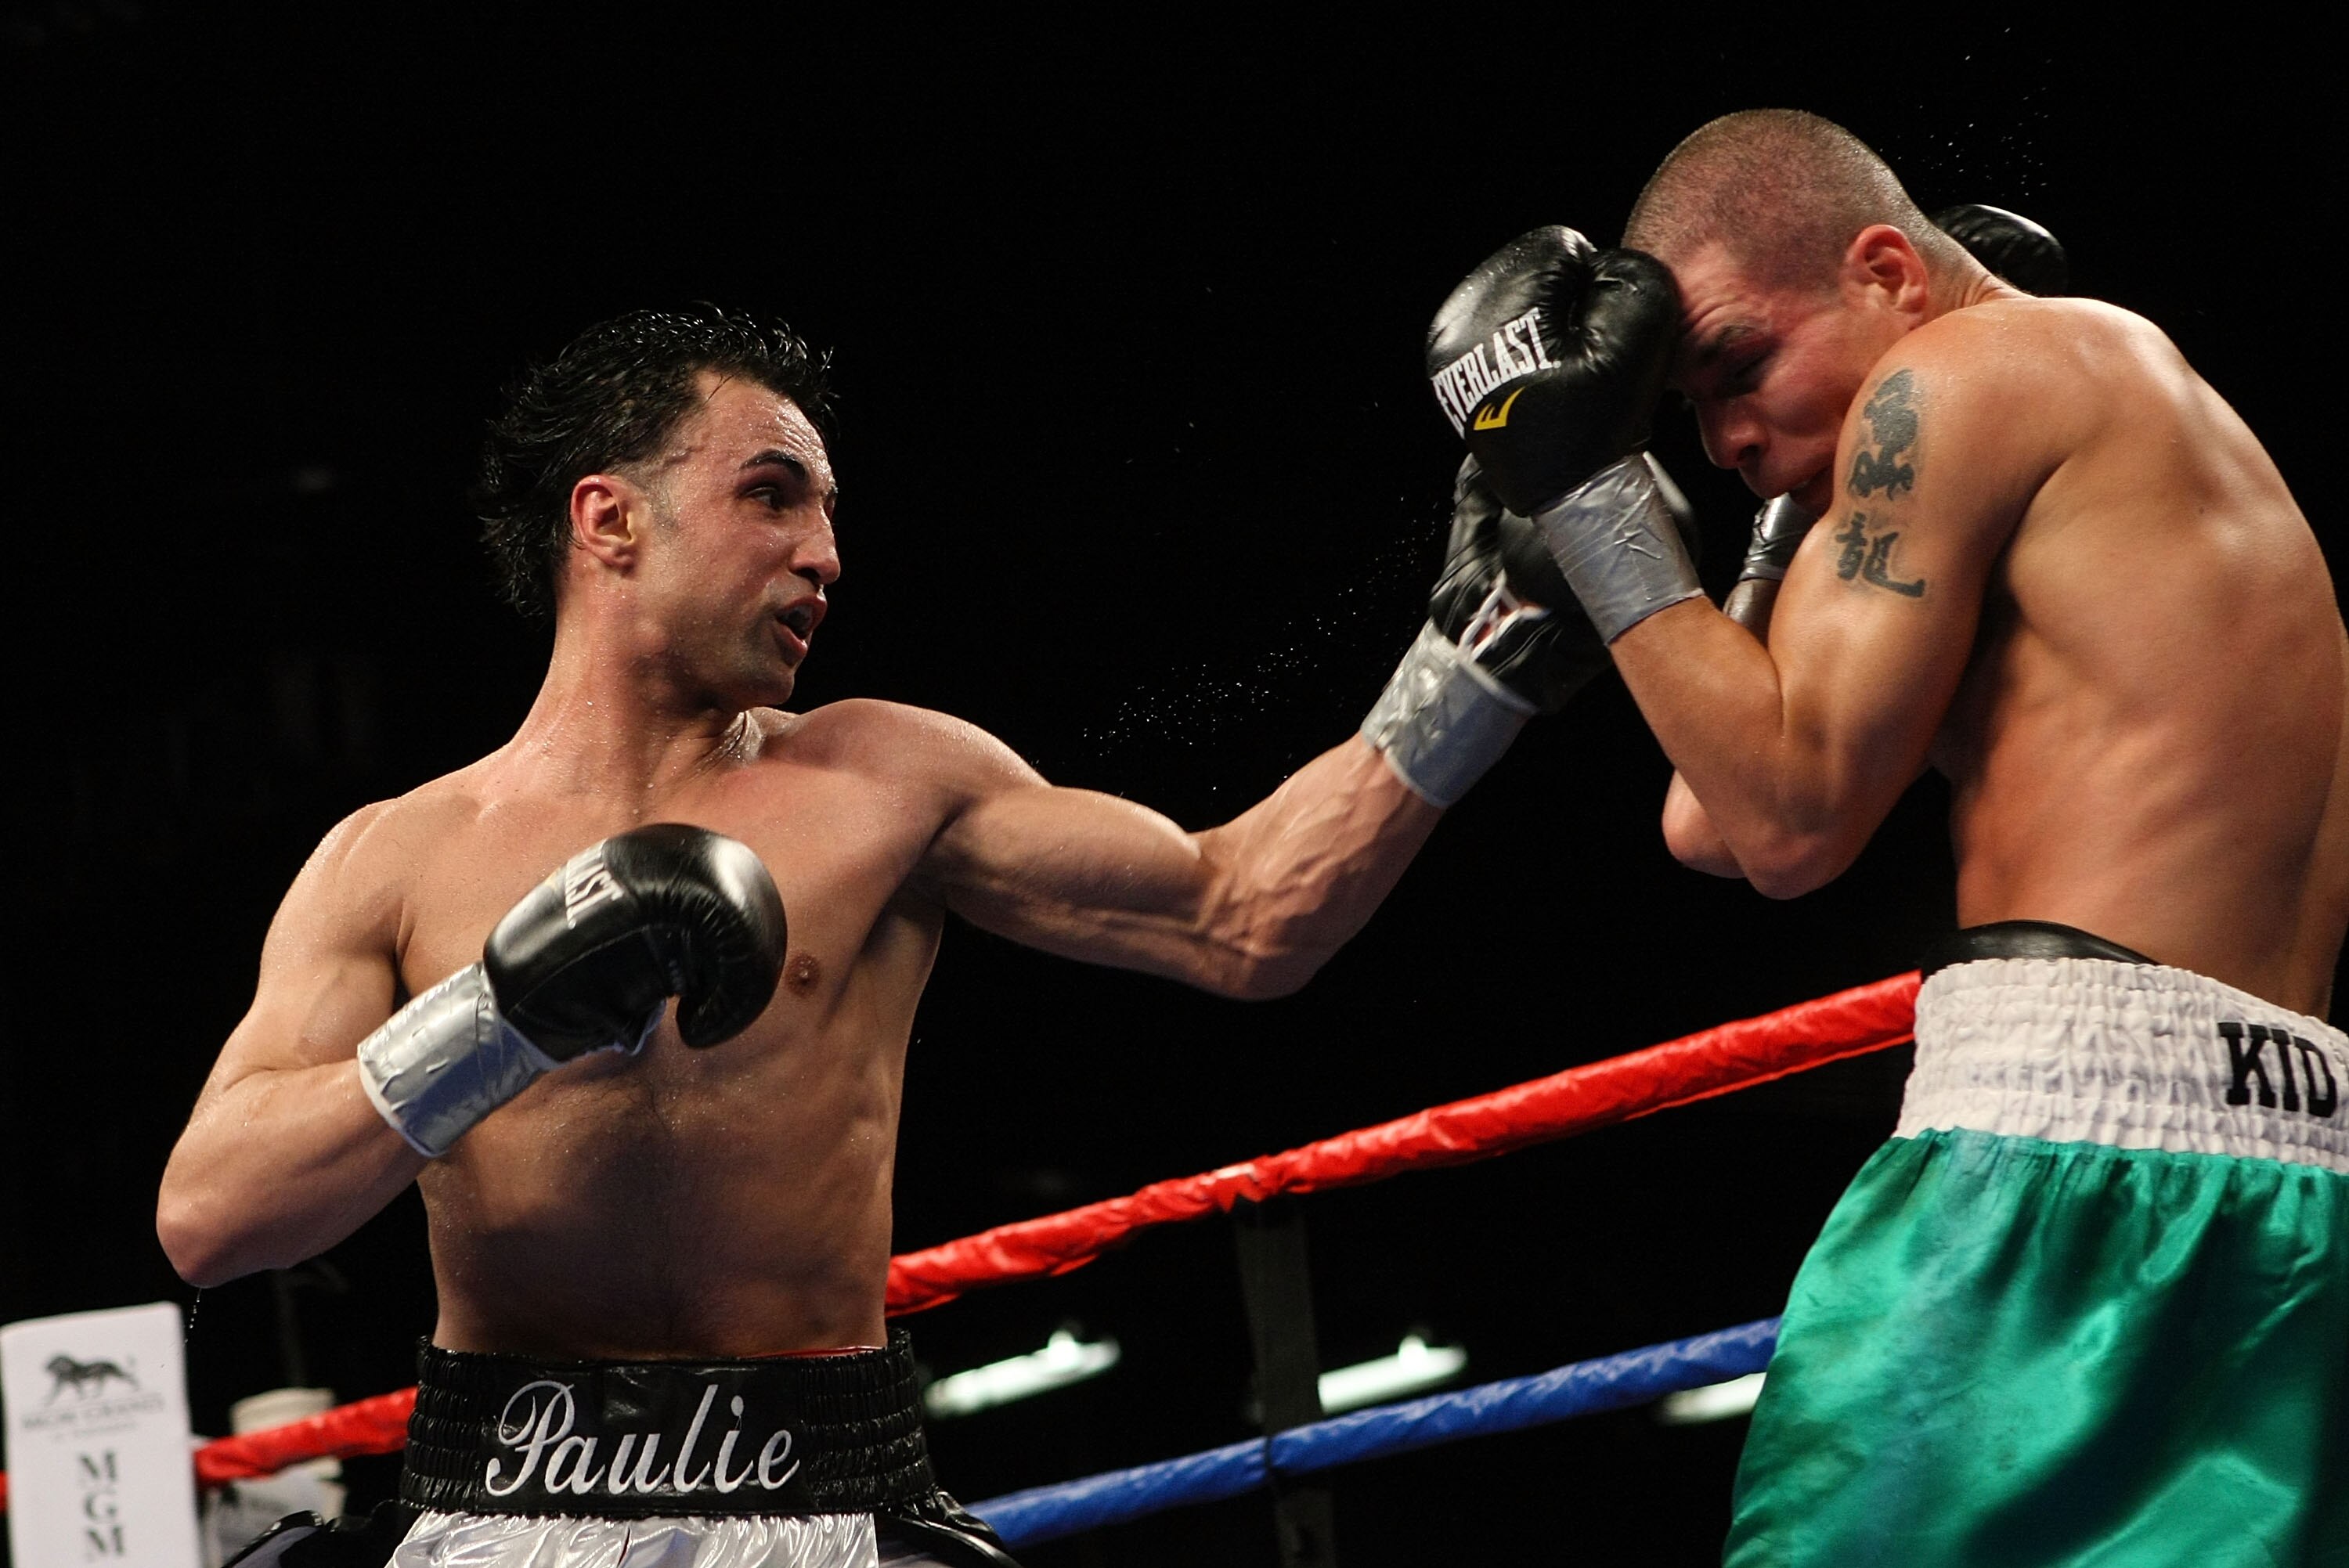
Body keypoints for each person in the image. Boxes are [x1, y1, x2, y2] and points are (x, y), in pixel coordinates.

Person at [157, 308, 1609, 1567]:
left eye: (831, 514)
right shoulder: (393, 859)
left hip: (827, 1496)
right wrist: (504, 1011)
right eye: (774, 497)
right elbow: (211, 1220)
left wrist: (1477, 654)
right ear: (609, 520)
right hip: (502, 1494)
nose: (826, 555)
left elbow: (1246, 915)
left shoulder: (883, 781)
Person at [1423, 110, 2348, 1563]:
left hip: (2054, 1177)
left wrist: (1586, 497)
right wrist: (1785, 522)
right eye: (1686, 414)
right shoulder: (2109, 381)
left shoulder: (1953, 378)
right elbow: (1707, 818)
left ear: (1887, 271)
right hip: (2286, 1194)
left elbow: (1785, 828)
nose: (1724, 438)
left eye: (1736, 367)